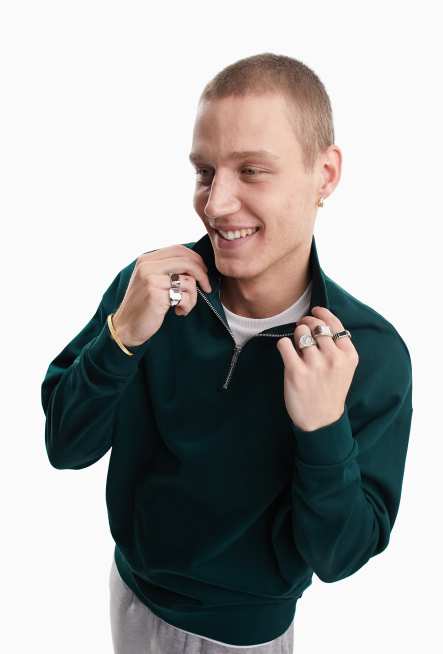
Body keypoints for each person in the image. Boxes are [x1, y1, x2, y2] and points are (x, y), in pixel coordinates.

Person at [41, 52, 413, 653]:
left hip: (248, 640)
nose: (215, 204)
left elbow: (340, 557)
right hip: (130, 597)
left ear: (324, 175)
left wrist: (322, 427)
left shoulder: (368, 351)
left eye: (252, 171)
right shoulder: (146, 289)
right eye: (205, 172)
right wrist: (120, 339)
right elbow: (65, 445)